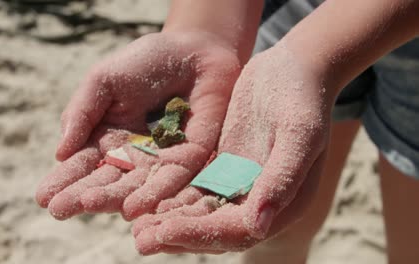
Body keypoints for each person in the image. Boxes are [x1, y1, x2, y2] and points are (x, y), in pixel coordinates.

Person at [35, 0, 419, 262]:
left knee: (411, 236)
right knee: (278, 229)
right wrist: (204, 29)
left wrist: (315, 57)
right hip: (292, 14)